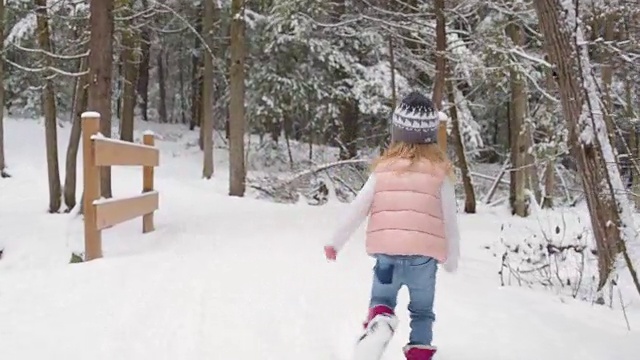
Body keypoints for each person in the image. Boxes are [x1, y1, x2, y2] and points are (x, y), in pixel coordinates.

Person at [324, 91, 460, 360]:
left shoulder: (383, 169)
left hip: (386, 256)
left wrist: (335, 242)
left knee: (382, 301)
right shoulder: (439, 173)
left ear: (397, 132)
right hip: (424, 259)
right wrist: (451, 258)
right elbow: (449, 219)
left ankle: (381, 321)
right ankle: (419, 353)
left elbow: (358, 208)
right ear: (431, 135)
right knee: (422, 311)